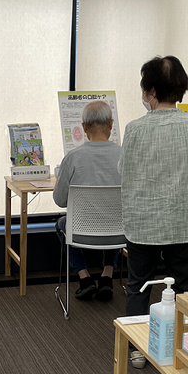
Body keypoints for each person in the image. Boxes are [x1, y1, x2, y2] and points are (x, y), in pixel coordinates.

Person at [120, 56, 188, 368]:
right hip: (183, 222)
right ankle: (179, 347)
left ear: (150, 91)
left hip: (142, 223)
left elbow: (123, 170)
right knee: (183, 287)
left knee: (139, 286)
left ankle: (137, 349)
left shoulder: (134, 129)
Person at [53, 100, 123, 302]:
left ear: (84, 127)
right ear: (111, 124)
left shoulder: (73, 157)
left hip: (80, 234)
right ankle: (107, 276)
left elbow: (60, 200)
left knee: (62, 224)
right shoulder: (125, 155)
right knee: (114, 216)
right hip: (120, 234)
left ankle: (84, 278)